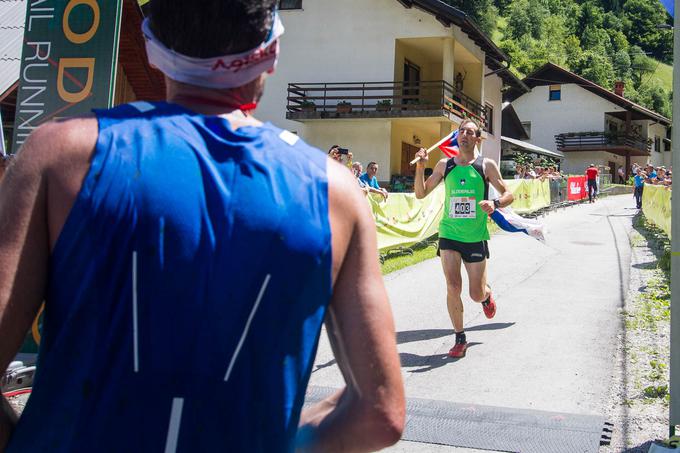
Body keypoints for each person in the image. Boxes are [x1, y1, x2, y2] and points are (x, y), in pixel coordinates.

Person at [0, 1, 405, 451]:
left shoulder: (59, 156)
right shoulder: (334, 191)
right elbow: (381, 415)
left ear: (152, 47)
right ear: (272, 51)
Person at [413, 119, 514, 358]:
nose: (465, 135)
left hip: (475, 236)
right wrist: (420, 167)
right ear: (457, 137)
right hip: (449, 233)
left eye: (470, 132)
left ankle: (487, 297)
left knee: (475, 293)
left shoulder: (486, 165)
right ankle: (460, 337)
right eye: (461, 132)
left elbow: (509, 194)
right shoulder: (444, 165)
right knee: (452, 286)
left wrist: (494, 203)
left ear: (477, 139)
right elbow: (420, 193)